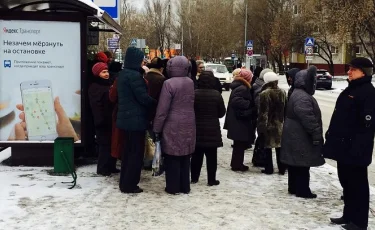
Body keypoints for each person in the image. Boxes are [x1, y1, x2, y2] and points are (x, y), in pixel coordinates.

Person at [323, 57, 375, 229]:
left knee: (358, 186)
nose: (349, 72)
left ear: (363, 72)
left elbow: (366, 126)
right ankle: (348, 215)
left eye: (353, 69)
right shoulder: (351, 89)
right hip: (343, 147)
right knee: (346, 183)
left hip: (355, 149)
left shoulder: (368, 92)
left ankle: (359, 222)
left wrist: (357, 148)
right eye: (349, 68)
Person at [153, 56, 196, 195]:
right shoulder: (190, 82)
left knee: (172, 156)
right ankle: (185, 186)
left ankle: (172, 187)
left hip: (172, 123)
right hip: (189, 122)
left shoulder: (168, 83)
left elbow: (162, 110)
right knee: (185, 155)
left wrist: (157, 128)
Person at [281, 66, 325, 199]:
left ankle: (294, 187)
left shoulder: (297, 93)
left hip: (295, 134)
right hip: (300, 136)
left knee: (295, 163)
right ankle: (302, 190)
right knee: (302, 164)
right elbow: (308, 118)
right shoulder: (303, 97)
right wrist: (316, 134)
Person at [117, 47, 156, 194]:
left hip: (126, 120)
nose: (143, 62)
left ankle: (124, 182)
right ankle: (130, 185)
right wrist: (156, 102)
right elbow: (143, 98)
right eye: (141, 59)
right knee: (135, 154)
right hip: (135, 121)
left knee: (127, 153)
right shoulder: (134, 76)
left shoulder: (123, 74)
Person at [191, 71, 226, 186]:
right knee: (212, 157)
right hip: (212, 129)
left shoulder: (194, 94)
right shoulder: (216, 94)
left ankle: (194, 177)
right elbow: (221, 113)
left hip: (197, 128)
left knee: (196, 155)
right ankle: (211, 179)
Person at [88, 62, 118, 176]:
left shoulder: (108, 84)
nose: (106, 74)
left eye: (107, 71)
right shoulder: (95, 87)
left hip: (110, 119)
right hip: (103, 121)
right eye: (103, 72)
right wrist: (100, 120)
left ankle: (111, 166)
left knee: (111, 143)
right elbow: (96, 106)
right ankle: (103, 168)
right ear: (97, 73)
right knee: (104, 145)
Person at [224, 69, 255, 171]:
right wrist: (249, 105)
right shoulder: (242, 88)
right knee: (240, 144)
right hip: (239, 121)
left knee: (238, 144)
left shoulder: (239, 86)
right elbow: (236, 101)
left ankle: (236, 164)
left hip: (236, 120)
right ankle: (237, 165)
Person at [257, 71, 287, 175]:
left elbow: (263, 112)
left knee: (267, 148)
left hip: (268, 125)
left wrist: (261, 127)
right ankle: (282, 168)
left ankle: (268, 169)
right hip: (280, 124)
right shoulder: (283, 92)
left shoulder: (264, 94)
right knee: (279, 147)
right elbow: (285, 109)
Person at [251, 68, 272, 167]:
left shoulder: (258, 85)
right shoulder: (261, 88)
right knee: (263, 139)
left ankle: (258, 159)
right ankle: (260, 159)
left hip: (260, 117)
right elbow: (259, 105)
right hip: (262, 118)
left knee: (262, 138)